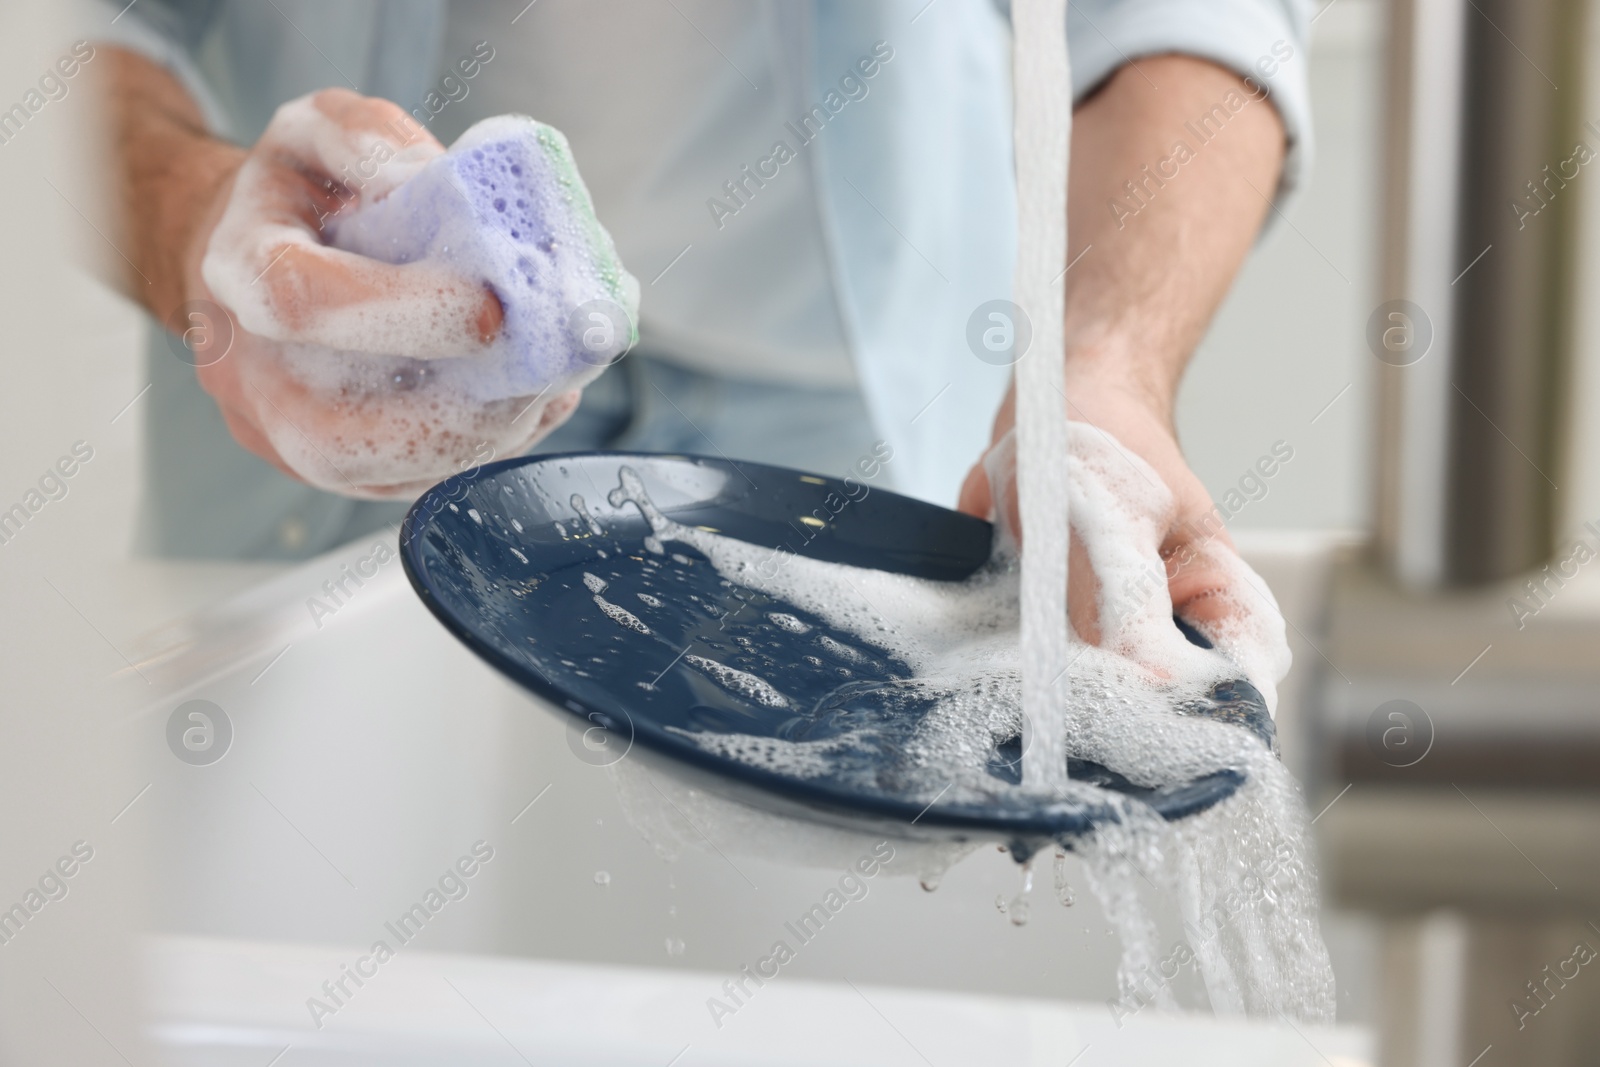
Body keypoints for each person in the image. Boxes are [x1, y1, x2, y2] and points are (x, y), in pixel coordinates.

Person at [87, 0, 1310, 653]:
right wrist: (192, 221)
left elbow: (1183, 15)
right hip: (344, 387)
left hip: (853, 414)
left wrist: (1098, 371)